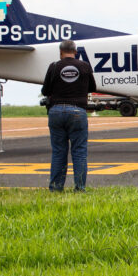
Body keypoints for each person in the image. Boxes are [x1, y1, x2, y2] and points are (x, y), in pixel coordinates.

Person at [41, 40, 97, 192]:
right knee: (79, 151)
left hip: (56, 111)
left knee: (59, 151)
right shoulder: (84, 66)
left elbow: (45, 90)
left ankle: (56, 188)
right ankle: (79, 188)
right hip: (78, 111)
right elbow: (93, 87)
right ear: (76, 51)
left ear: (60, 52)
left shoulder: (54, 66)